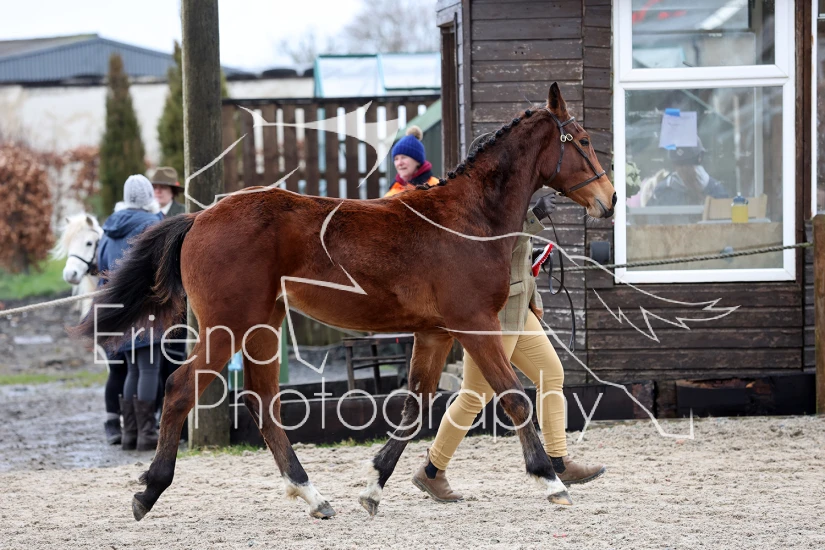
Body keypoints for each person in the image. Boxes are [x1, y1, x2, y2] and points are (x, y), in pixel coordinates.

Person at [409, 194, 606, 502]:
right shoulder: (482, 199)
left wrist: (532, 258)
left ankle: (559, 461)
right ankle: (432, 470)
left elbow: (514, 252)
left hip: (519, 307)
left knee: (551, 374)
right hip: (494, 313)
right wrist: (534, 218)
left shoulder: (513, 194)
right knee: (475, 396)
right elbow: (492, 244)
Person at [98, 175, 163, 451]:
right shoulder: (154, 224)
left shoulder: (109, 227)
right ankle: (146, 434)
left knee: (133, 370)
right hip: (145, 307)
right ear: (149, 196)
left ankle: (130, 434)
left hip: (118, 311)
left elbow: (101, 267)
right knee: (148, 368)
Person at [647, 140, 727, 206]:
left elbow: (647, 218)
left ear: (673, 164)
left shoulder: (661, 191)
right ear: (700, 158)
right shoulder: (716, 190)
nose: (684, 170)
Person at [384, 126, 439, 197]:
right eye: (396, 159)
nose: (399, 163)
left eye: (404, 157)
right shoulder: (391, 194)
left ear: (417, 161)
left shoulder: (435, 187)